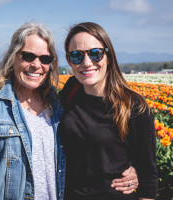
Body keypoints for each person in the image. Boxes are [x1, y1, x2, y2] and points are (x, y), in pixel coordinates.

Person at [0, 22, 138, 200]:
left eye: (45, 59)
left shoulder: (58, 104)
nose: (36, 65)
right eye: (28, 56)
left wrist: (131, 170)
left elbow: (90, 147)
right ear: (13, 57)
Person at [59, 22, 158, 200]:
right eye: (76, 56)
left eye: (95, 54)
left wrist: (135, 170)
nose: (86, 62)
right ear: (69, 61)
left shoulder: (134, 106)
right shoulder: (70, 91)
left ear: (108, 56)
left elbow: (148, 176)